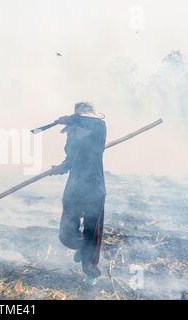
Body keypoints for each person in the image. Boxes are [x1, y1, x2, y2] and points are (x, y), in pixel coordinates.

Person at [50, 102, 107, 284]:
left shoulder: (98, 128)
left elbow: (91, 122)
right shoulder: (74, 132)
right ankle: (83, 247)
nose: (81, 117)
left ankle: (91, 272)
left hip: (94, 188)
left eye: (83, 114)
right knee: (66, 235)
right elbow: (71, 159)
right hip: (74, 187)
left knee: (92, 230)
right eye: (78, 114)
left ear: (90, 114)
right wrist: (59, 168)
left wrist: (68, 119)